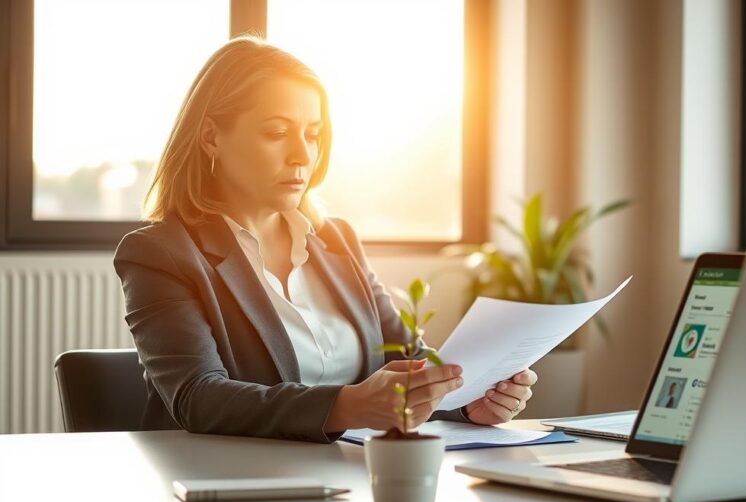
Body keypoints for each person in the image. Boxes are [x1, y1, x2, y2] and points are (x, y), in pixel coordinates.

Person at [114, 36, 535, 443]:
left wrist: (465, 400)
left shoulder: (337, 240)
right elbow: (198, 398)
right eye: (277, 133)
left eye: (312, 134)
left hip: (352, 484)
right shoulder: (159, 253)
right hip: (227, 491)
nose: (302, 155)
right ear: (211, 137)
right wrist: (346, 406)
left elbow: (405, 358)